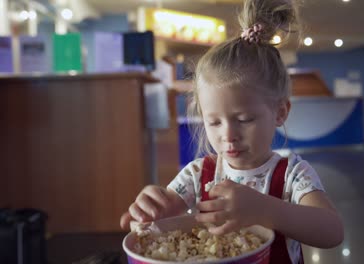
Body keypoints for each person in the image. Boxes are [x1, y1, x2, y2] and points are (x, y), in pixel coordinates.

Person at [120, 0, 344, 263]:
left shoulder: (293, 175)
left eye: (245, 119)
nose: (228, 135)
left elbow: (332, 231)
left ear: (280, 112)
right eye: (214, 122)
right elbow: (154, 217)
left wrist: (266, 209)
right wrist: (151, 211)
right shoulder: (197, 174)